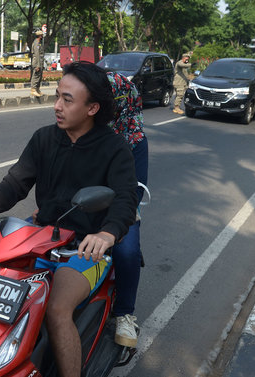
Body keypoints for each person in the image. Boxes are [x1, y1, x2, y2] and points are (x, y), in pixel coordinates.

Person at [0, 62, 138, 377]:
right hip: (40, 239)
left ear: (92, 108)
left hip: (83, 250)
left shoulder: (114, 149)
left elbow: (126, 199)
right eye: (57, 96)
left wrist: (106, 235)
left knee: (58, 310)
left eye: (68, 100)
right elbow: (13, 185)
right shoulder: (44, 138)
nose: (57, 106)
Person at [105, 72, 148, 348]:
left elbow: (136, 189)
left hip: (121, 210)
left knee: (128, 251)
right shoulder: (76, 130)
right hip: (74, 206)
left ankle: (124, 313)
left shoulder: (135, 140)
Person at [30, 29, 45, 97]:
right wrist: (38, 65)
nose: (42, 36)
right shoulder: (36, 43)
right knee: (36, 76)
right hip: (36, 62)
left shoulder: (39, 43)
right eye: (42, 35)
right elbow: (37, 54)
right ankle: (33, 90)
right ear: (40, 36)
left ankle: (37, 89)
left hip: (40, 62)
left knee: (39, 76)